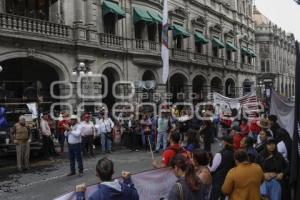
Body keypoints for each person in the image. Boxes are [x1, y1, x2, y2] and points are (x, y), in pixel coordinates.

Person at [209, 136, 235, 200]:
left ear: (225, 143)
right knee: (223, 196)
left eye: (222, 141)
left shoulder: (219, 154)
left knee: (214, 196)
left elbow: (212, 169)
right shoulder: (234, 153)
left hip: (218, 179)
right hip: (228, 178)